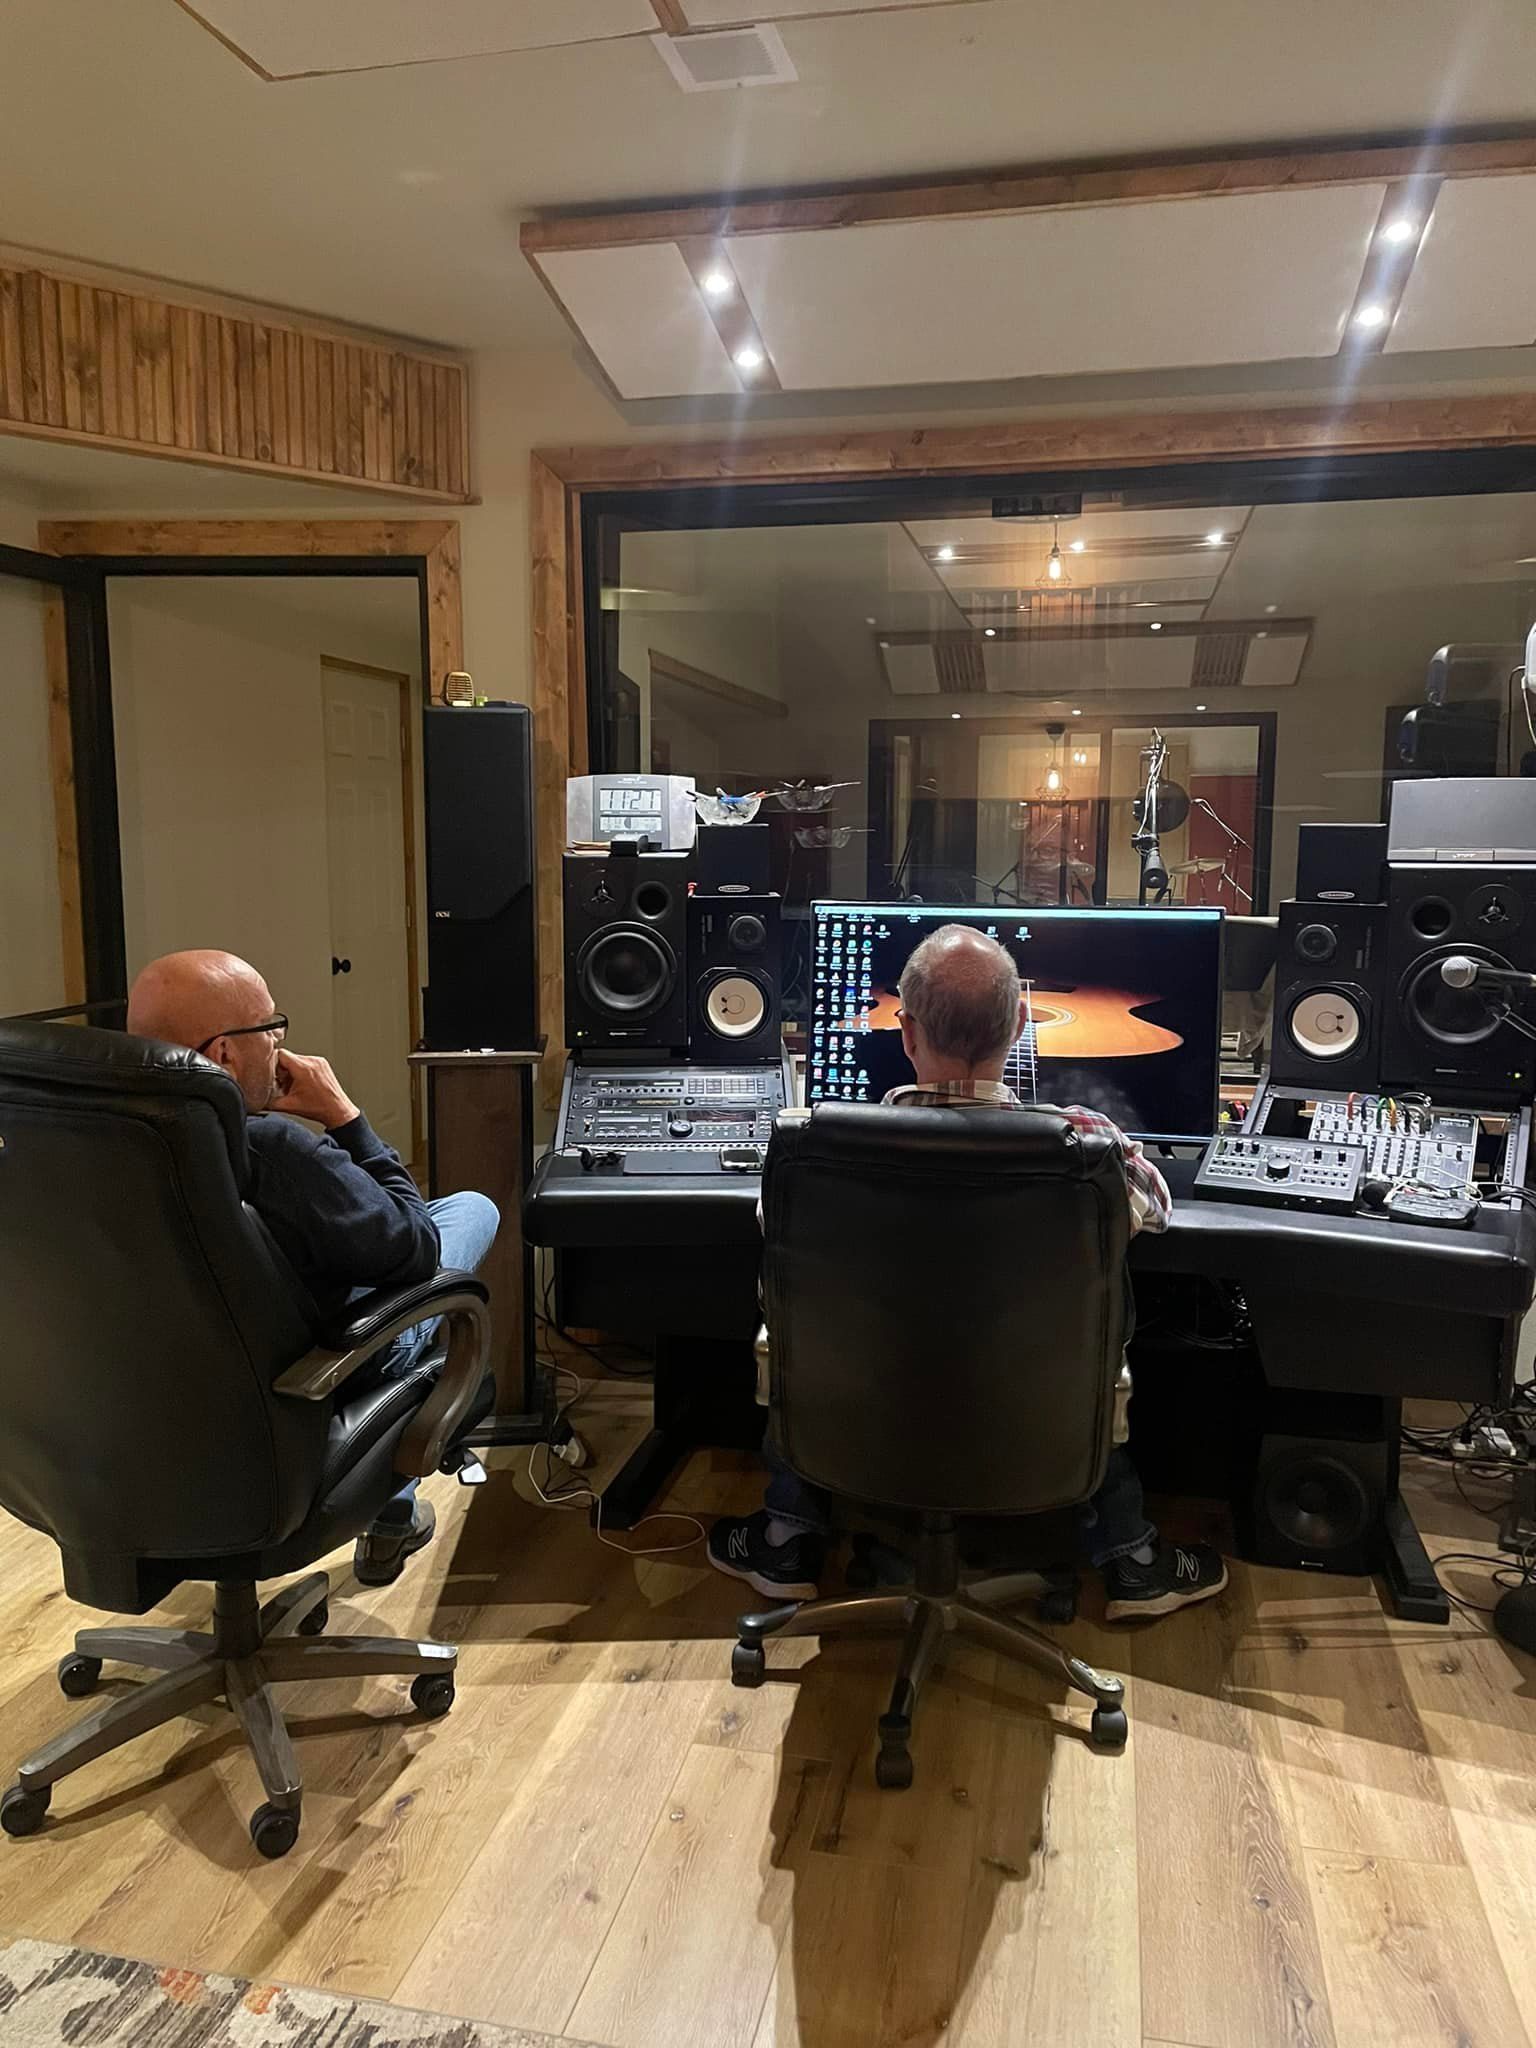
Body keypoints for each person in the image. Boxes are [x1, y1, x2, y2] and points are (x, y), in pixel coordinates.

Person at [708, 922, 1227, 1623]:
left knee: (804, 1321)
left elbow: (775, 1228)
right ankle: (1130, 1556)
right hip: (1034, 1420)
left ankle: (786, 1538)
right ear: (1019, 1025)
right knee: (1085, 1342)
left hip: (859, 1418)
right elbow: (1155, 1207)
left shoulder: (815, 1146)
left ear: (907, 1031)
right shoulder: (1086, 1149)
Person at [125, 949, 498, 1586]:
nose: (278, 1042)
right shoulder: (273, 1148)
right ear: (223, 1054)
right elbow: (415, 1247)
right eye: (270, 1028)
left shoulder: (85, 1143)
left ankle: (394, 1511)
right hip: (291, 1396)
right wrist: (346, 1119)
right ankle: (391, 1514)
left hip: (129, 1427)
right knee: (468, 1211)